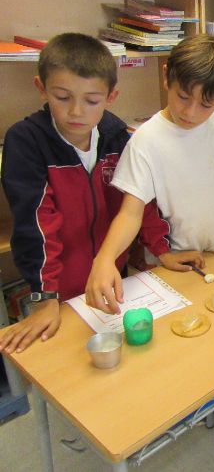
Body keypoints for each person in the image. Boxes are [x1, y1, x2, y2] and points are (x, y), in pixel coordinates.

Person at [0, 33, 172, 354]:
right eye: (62, 97)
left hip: (111, 276)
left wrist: (162, 250)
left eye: (92, 101)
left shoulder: (117, 138)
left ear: (111, 96)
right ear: (41, 88)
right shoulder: (26, 142)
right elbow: (35, 226)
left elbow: (139, 202)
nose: (76, 111)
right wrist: (45, 298)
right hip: (57, 289)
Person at [86, 34, 214, 314]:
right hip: (181, 264)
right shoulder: (146, 141)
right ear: (167, 75)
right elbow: (130, 214)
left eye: (206, 104)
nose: (190, 112)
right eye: (183, 96)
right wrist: (105, 259)